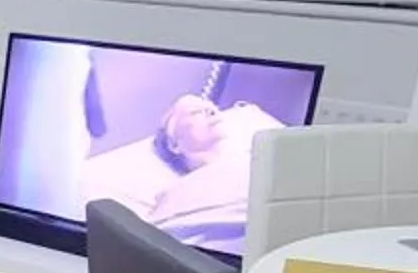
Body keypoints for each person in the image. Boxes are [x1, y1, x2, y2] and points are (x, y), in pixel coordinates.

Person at [76, 91, 276, 250]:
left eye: (212, 108)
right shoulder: (177, 195)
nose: (212, 111)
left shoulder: (260, 156)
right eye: (196, 112)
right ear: (175, 144)